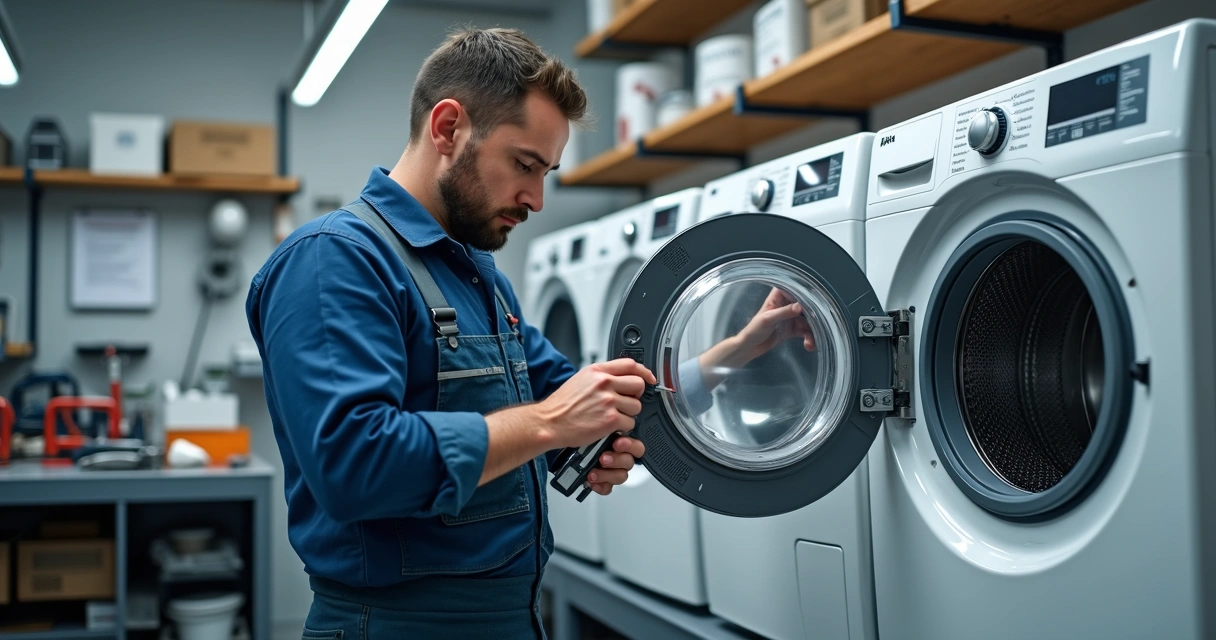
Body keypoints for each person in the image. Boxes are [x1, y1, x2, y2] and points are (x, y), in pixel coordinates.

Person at [245, 28, 655, 639]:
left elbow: (573, 391)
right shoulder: (334, 261)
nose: (537, 198)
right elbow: (355, 462)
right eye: (525, 165)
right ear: (447, 129)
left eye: (547, 173)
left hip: (512, 617)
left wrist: (728, 358)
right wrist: (549, 425)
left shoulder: (477, 276)